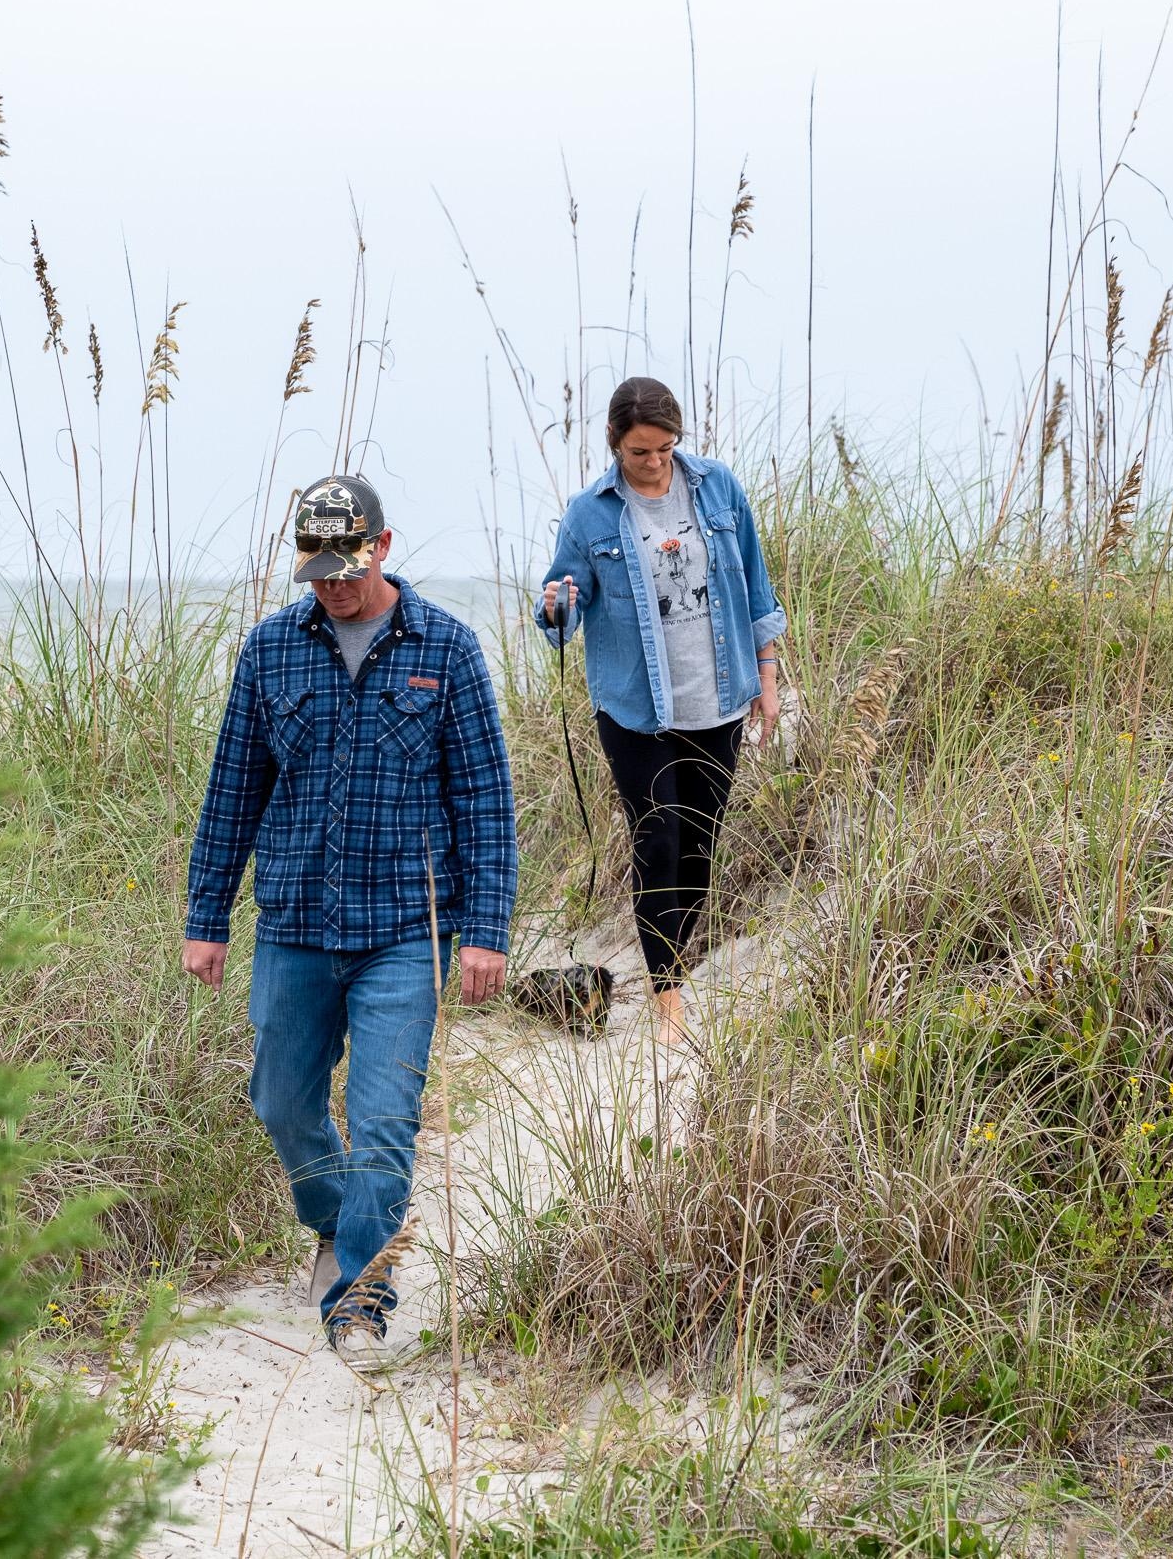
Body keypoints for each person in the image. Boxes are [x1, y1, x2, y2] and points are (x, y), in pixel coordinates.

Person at [183, 473, 518, 1371]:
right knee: (282, 1102)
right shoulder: (270, 653)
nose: (334, 584)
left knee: (383, 1118)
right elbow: (232, 793)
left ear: (384, 543)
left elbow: (486, 800)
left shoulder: (446, 650)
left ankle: (361, 1296)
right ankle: (333, 1220)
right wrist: (205, 917)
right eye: (318, 569)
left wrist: (486, 929)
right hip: (293, 920)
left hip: (407, 928)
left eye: (349, 565)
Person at [536, 377, 787, 1042]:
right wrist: (557, 605)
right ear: (616, 443)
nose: (655, 463)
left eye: (665, 449)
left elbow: (756, 584)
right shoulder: (589, 515)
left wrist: (768, 676)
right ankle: (668, 993)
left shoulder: (718, 487)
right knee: (658, 840)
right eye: (640, 452)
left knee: (700, 844)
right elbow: (563, 605)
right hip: (634, 708)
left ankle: (674, 962)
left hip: (719, 698)